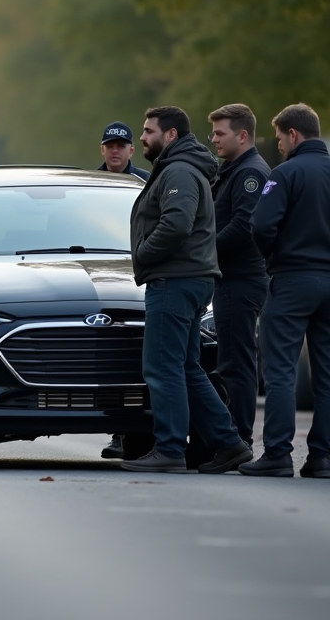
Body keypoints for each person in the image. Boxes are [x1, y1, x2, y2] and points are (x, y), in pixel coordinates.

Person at [241, 103, 330, 478]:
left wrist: (276, 258)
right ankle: (321, 458)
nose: (279, 145)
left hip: (292, 279)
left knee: (281, 369)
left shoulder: (285, 175)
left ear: (293, 135)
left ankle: (278, 454)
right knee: (328, 371)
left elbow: (261, 225)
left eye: (281, 138)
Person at [124, 106, 252, 474]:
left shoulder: (178, 170)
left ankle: (168, 449)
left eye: (149, 131)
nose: (143, 137)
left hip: (174, 280)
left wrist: (144, 254)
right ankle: (229, 444)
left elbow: (177, 223)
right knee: (186, 367)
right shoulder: (179, 167)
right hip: (190, 279)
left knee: (162, 367)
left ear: (171, 136)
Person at [205, 104, 271, 449]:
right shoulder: (233, 169)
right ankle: (231, 439)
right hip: (231, 279)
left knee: (237, 363)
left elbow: (244, 226)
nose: (213, 139)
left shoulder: (251, 174)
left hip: (240, 280)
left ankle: (237, 440)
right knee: (231, 359)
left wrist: (204, 251)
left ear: (242, 136)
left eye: (220, 133)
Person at [96, 121, 149, 460]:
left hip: (134, 268)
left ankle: (134, 430)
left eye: (121, 145)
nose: (115, 151)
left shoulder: (145, 182)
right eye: (110, 145)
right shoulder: (89, 184)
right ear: (102, 150)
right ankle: (118, 433)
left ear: (131, 150)